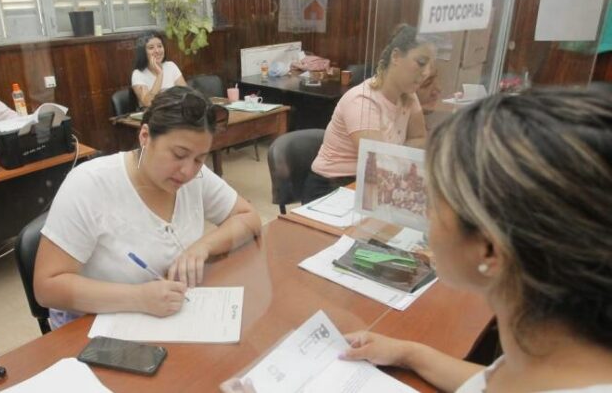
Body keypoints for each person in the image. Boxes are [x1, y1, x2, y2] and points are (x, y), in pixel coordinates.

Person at [224, 88, 612, 392]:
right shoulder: (552, 351)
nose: (423, 213)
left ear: (490, 248)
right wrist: (409, 353)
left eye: (435, 198)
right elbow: (491, 383)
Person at [34, 85, 261, 328]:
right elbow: (47, 288)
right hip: (93, 326)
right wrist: (138, 297)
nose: (187, 171)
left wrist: (202, 247)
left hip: (169, 316)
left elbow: (248, 217)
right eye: (178, 154)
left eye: (199, 158)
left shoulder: (195, 177)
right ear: (145, 137)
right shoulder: (90, 184)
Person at [302, 24, 432, 203]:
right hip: (332, 187)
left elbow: (419, 138)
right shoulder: (362, 101)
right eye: (421, 63)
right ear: (396, 57)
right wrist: (405, 157)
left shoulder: (408, 95)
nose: (427, 72)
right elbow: (379, 164)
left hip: (371, 181)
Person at [131, 32, 187, 108]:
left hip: (175, 113)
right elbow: (148, 103)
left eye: (160, 46)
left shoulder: (171, 66)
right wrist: (159, 75)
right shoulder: (138, 74)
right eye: (151, 48)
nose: (157, 51)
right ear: (143, 52)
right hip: (154, 116)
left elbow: (186, 94)